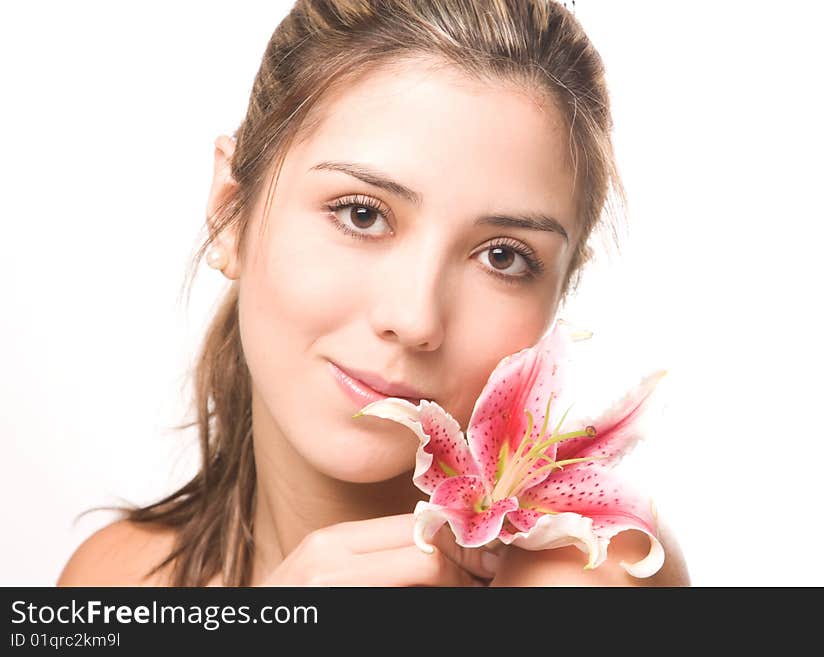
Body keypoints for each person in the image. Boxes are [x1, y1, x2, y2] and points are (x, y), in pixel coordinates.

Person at [57, 0, 689, 587]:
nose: (414, 319)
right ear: (230, 215)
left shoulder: (591, 570)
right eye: (362, 215)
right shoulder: (116, 576)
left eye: (503, 256)